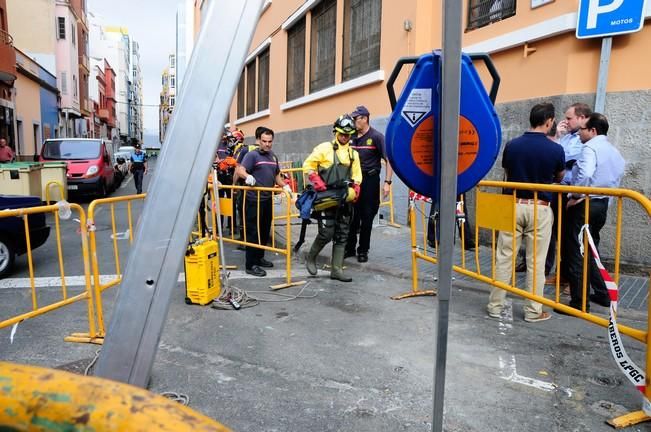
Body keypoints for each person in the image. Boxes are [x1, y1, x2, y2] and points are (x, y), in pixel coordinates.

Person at [486, 102, 565, 323]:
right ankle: (532, 310)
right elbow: (559, 177)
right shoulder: (556, 149)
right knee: (536, 262)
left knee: (504, 257)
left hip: (512, 204)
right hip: (539, 208)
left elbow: (508, 172)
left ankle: (495, 305)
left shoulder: (512, 145)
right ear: (549, 121)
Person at [562, 113, 625, 313]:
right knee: (591, 250)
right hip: (602, 204)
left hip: (585, 204)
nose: (579, 133)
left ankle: (578, 303)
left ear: (593, 131)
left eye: (582, 129)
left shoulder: (590, 148)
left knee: (577, 251)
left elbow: (586, 174)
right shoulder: (614, 151)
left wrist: (575, 195)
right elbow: (616, 179)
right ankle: (603, 293)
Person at [303, 114, 362, 282]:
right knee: (326, 233)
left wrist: (356, 188)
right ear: (336, 132)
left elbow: (357, 176)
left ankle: (336, 269)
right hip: (326, 198)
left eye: (348, 135)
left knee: (343, 233)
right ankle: (311, 257)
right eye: (342, 134)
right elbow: (308, 165)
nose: (344, 137)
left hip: (344, 198)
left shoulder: (353, 154)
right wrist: (316, 179)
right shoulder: (324, 148)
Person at [234, 127, 290, 277]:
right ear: (258, 140)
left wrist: (285, 186)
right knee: (253, 232)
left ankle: (259, 258)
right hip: (253, 199)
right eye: (264, 141)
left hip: (267, 199)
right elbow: (240, 170)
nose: (267, 144)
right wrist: (247, 176)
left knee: (265, 230)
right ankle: (250, 265)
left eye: (270, 141)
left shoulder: (273, 157)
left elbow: (277, 176)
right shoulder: (252, 155)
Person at [344, 106, 394, 263]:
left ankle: (363, 250)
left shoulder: (377, 137)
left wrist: (387, 183)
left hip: (370, 181)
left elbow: (389, 160)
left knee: (366, 218)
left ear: (364, 119)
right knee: (352, 217)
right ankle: (349, 248)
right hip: (353, 182)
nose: (353, 122)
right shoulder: (351, 136)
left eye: (355, 119)